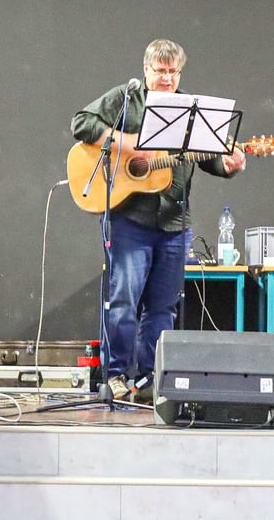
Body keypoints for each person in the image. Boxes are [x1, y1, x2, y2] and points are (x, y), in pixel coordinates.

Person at [70, 39, 246, 402]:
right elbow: (81, 122)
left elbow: (209, 156)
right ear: (146, 69)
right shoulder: (126, 98)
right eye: (160, 71)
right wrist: (126, 144)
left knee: (163, 307)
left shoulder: (191, 111)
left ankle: (153, 377)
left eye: (173, 72)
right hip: (129, 220)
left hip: (173, 224)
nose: (166, 78)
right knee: (123, 301)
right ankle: (117, 374)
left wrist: (227, 164)